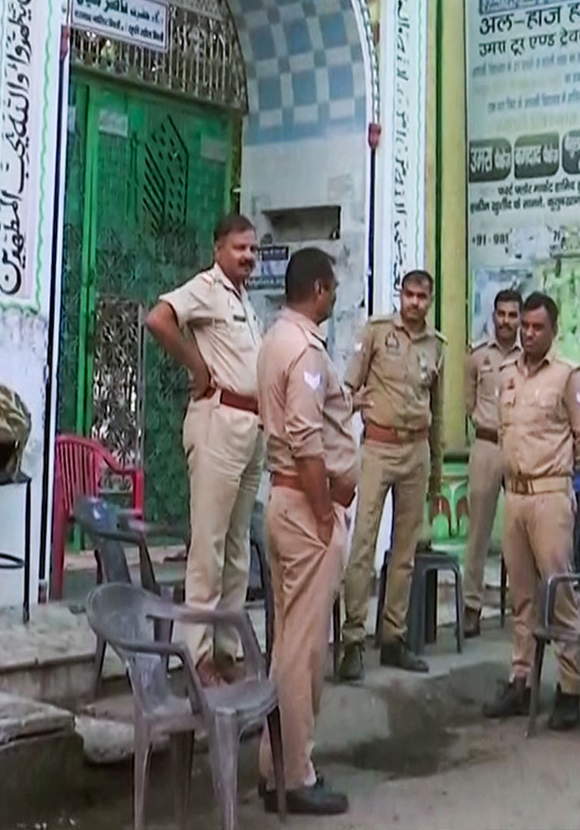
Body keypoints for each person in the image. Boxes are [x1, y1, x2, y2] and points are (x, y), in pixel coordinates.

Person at [256, 247, 356, 816]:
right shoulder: (306, 352)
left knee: (288, 643)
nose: (335, 296)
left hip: (288, 500)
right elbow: (307, 438)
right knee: (303, 650)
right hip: (305, 507)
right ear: (318, 289)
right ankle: (296, 773)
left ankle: (277, 767)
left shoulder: (275, 340)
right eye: (333, 287)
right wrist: (325, 511)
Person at [143, 212, 262, 688]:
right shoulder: (205, 289)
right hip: (218, 422)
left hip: (252, 427)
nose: (248, 256)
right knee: (208, 548)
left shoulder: (245, 303)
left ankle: (226, 650)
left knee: (237, 550)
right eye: (239, 248)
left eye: (253, 249)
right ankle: (197, 658)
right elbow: (158, 319)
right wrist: (196, 367)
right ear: (218, 250)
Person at [482, 291, 580, 730]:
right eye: (524, 327)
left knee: (559, 591)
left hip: (550, 495)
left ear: (553, 330)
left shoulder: (569, 377)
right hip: (514, 496)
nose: (528, 334)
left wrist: (559, 474)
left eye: (537, 328)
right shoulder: (508, 374)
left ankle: (570, 688)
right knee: (523, 597)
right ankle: (521, 679)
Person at [338, 270, 445, 680]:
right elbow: (349, 387)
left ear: (430, 301)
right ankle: (352, 641)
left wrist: (434, 474)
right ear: (400, 295)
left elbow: (437, 413)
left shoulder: (436, 346)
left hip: (416, 450)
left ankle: (393, 636)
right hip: (378, 447)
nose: (415, 302)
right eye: (410, 294)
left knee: (405, 550)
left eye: (423, 297)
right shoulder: (378, 333)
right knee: (363, 544)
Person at [462, 288, 523, 638]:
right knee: (478, 533)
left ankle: (522, 605)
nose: (506, 321)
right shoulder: (477, 356)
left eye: (513, 315)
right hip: (486, 445)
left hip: (518, 446)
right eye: (501, 314)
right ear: (493, 315)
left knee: (521, 529)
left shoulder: (527, 357)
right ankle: (471, 607)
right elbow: (467, 402)